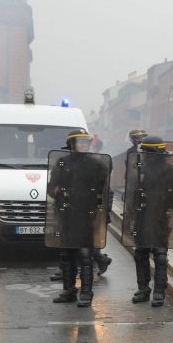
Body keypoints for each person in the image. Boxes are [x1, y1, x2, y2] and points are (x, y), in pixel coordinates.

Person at [49, 129, 109, 307]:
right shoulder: (62, 162)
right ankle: (68, 290)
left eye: (85, 142)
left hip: (85, 214)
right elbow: (52, 186)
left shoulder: (97, 164)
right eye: (79, 142)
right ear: (71, 144)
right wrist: (55, 191)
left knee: (85, 254)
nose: (83, 145)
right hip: (66, 213)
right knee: (67, 253)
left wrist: (100, 208)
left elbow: (103, 190)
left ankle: (86, 292)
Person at [129, 136, 173, 306]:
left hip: (160, 217)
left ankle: (159, 290)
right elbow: (132, 191)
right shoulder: (140, 169)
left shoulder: (171, 170)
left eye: (147, 153)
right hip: (142, 215)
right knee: (141, 253)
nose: (145, 156)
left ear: (154, 153)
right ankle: (143, 288)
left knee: (160, 255)